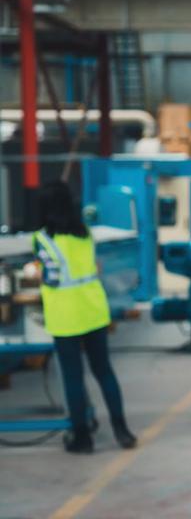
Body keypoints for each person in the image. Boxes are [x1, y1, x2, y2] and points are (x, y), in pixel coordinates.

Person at [33, 181, 136, 454]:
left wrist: (38, 274)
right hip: (93, 310)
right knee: (104, 372)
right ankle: (122, 430)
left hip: (65, 317)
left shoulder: (42, 239)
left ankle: (82, 439)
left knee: (73, 378)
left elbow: (53, 277)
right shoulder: (85, 233)